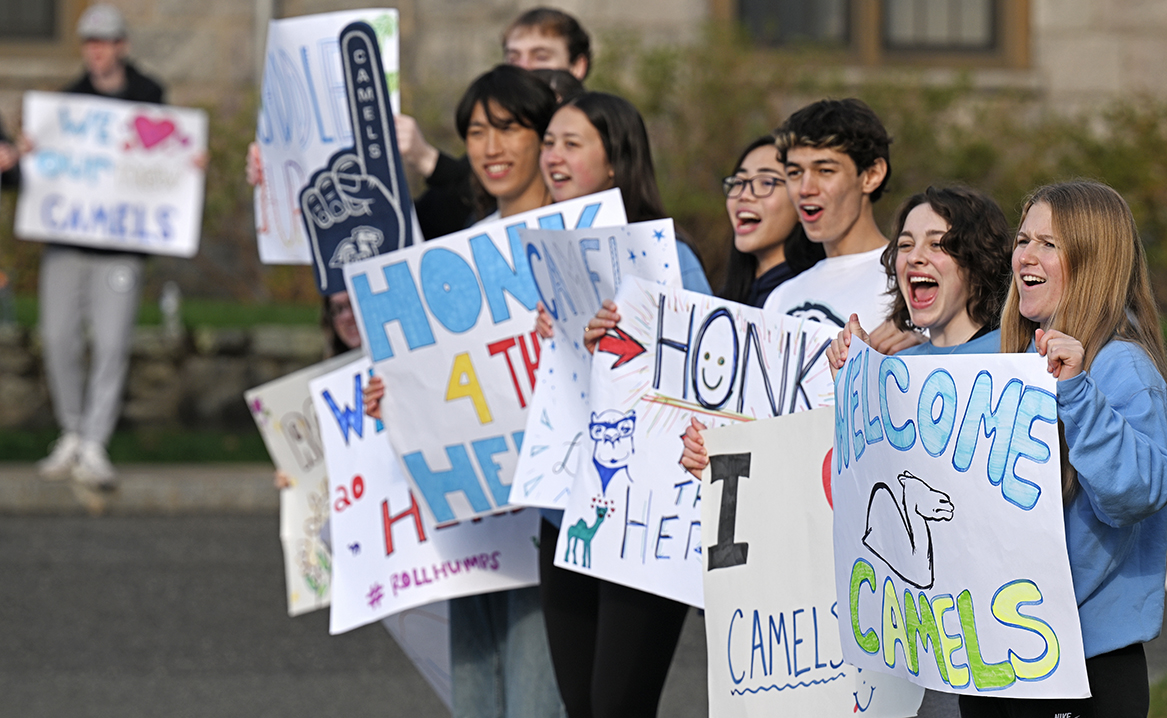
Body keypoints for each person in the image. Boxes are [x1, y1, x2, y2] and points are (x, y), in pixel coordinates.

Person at [367, 65, 566, 718]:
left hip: (551, 524)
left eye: (508, 129)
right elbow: (436, 376)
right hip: (473, 519)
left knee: (538, 699)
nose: (489, 147)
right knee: (477, 699)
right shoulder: (454, 252)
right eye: (476, 131)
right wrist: (390, 394)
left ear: (544, 138)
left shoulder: (578, 240)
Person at [960, 180, 1167, 718]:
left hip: (1082, 664)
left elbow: (1135, 493)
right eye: (1024, 238)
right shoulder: (1012, 358)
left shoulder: (1124, 367)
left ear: (1094, 260)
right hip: (996, 656)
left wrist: (1077, 393)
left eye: (1049, 244)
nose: (1025, 255)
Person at [534, 91, 711, 718]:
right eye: (548, 142)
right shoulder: (541, 254)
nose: (551, 156)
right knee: (580, 708)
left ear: (615, 162)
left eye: (570, 143)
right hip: (566, 515)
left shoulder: (670, 257)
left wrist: (622, 340)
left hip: (647, 522)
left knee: (618, 708)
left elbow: (705, 379)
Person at [35, 4, 166, 488]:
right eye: (89, 42)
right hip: (68, 242)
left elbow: (166, 163)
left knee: (112, 344)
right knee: (58, 339)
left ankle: (95, 441)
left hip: (120, 249)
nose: (96, 51)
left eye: (104, 41)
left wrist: (186, 165)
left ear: (121, 46)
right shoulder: (67, 104)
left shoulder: (150, 96)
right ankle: (71, 431)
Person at [401, 7, 592, 239]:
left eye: (541, 57)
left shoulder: (590, 222)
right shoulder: (474, 233)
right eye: (513, 58)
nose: (525, 69)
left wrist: (428, 160)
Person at [825, 184, 1012, 371]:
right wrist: (855, 381)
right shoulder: (894, 369)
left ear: (980, 260)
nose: (914, 257)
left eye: (937, 244)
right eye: (906, 244)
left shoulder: (1017, 353)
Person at [719, 135, 824, 307]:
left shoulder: (812, 305)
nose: (744, 195)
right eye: (739, 182)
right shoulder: (721, 303)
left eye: (766, 182)